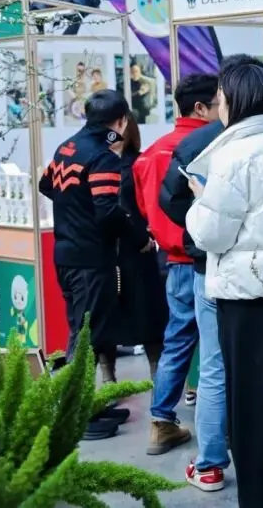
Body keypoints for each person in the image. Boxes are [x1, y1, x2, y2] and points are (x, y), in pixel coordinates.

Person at [158, 56, 263, 488]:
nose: (218, 106)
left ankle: (258, 492)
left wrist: (200, 199)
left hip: (247, 298)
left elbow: (211, 233)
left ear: (238, 101)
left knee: (250, 410)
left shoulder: (232, 155)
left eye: (222, 98)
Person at [134, 72, 225, 479]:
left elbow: (141, 204)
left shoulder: (152, 152)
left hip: (172, 260)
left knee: (177, 339)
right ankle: (220, 436)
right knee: (217, 355)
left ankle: (161, 419)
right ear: (202, 108)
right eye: (220, 102)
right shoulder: (209, 146)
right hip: (206, 259)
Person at [38, 89, 134, 441]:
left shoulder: (66, 147)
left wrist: (75, 211)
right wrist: (138, 236)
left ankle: (88, 406)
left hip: (66, 254)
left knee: (80, 331)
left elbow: (46, 185)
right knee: (87, 337)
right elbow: (107, 212)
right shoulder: (102, 156)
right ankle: (78, 415)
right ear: (120, 122)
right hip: (92, 260)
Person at [110, 114, 164, 386]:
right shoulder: (97, 162)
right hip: (109, 251)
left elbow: (151, 203)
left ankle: (158, 376)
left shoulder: (140, 162)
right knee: (107, 319)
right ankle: (108, 379)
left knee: (148, 315)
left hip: (140, 247)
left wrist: (148, 235)